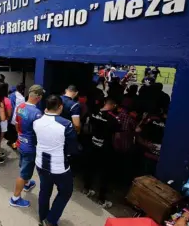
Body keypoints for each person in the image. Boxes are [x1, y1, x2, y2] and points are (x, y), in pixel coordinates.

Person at [34, 95, 78, 226]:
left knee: (44, 191)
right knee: (65, 192)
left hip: (41, 163)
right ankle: (50, 220)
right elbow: (73, 147)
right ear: (60, 107)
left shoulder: (37, 121)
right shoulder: (66, 124)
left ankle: (43, 217)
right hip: (59, 167)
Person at [9, 85, 44, 208]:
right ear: (38, 97)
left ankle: (28, 183)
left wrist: (20, 137)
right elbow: (40, 133)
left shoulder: (20, 107)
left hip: (21, 142)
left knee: (23, 164)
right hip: (30, 146)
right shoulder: (37, 113)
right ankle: (15, 198)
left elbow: (17, 124)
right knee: (23, 173)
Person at [83, 98, 120, 208]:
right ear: (113, 105)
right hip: (105, 149)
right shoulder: (113, 118)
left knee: (90, 167)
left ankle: (86, 189)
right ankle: (101, 199)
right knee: (105, 174)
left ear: (105, 103)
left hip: (92, 144)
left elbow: (85, 122)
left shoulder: (92, 112)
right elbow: (117, 135)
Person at [7, 83, 26, 150]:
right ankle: (13, 144)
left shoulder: (12, 95)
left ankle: (11, 143)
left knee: (12, 132)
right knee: (15, 133)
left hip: (12, 117)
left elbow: (10, 107)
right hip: (16, 118)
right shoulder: (22, 98)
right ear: (23, 90)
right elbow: (21, 110)